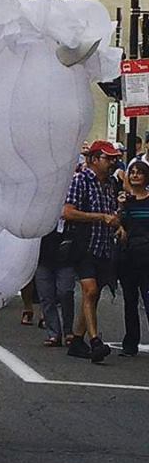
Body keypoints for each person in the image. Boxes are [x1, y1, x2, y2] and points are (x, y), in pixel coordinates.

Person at [62, 140, 121, 362]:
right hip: (85, 244)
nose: (112, 162)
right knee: (90, 290)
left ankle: (77, 339)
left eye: (114, 158)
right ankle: (95, 341)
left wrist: (118, 224)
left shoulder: (108, 184)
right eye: (108, 158)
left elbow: (111, 212)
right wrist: (99, 217)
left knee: (93, 295)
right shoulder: (81, 180)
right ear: (94, 159)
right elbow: (68, 212)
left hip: (103, 245)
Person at [116, 159, 149, 356]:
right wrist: (120, 211)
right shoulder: (125, 200)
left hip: (147, 257)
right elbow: (117, 221)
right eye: (133, 172)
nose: (135, 175)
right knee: (130, 301)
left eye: (140, 172)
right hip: (128, 257)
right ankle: (130, 343)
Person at [34, 228, 76, 347]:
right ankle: (54, 333)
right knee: (46, 296)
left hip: (65, 255)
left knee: (65, 292)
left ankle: (68, 330)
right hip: (42, 256)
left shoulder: (67, 211)